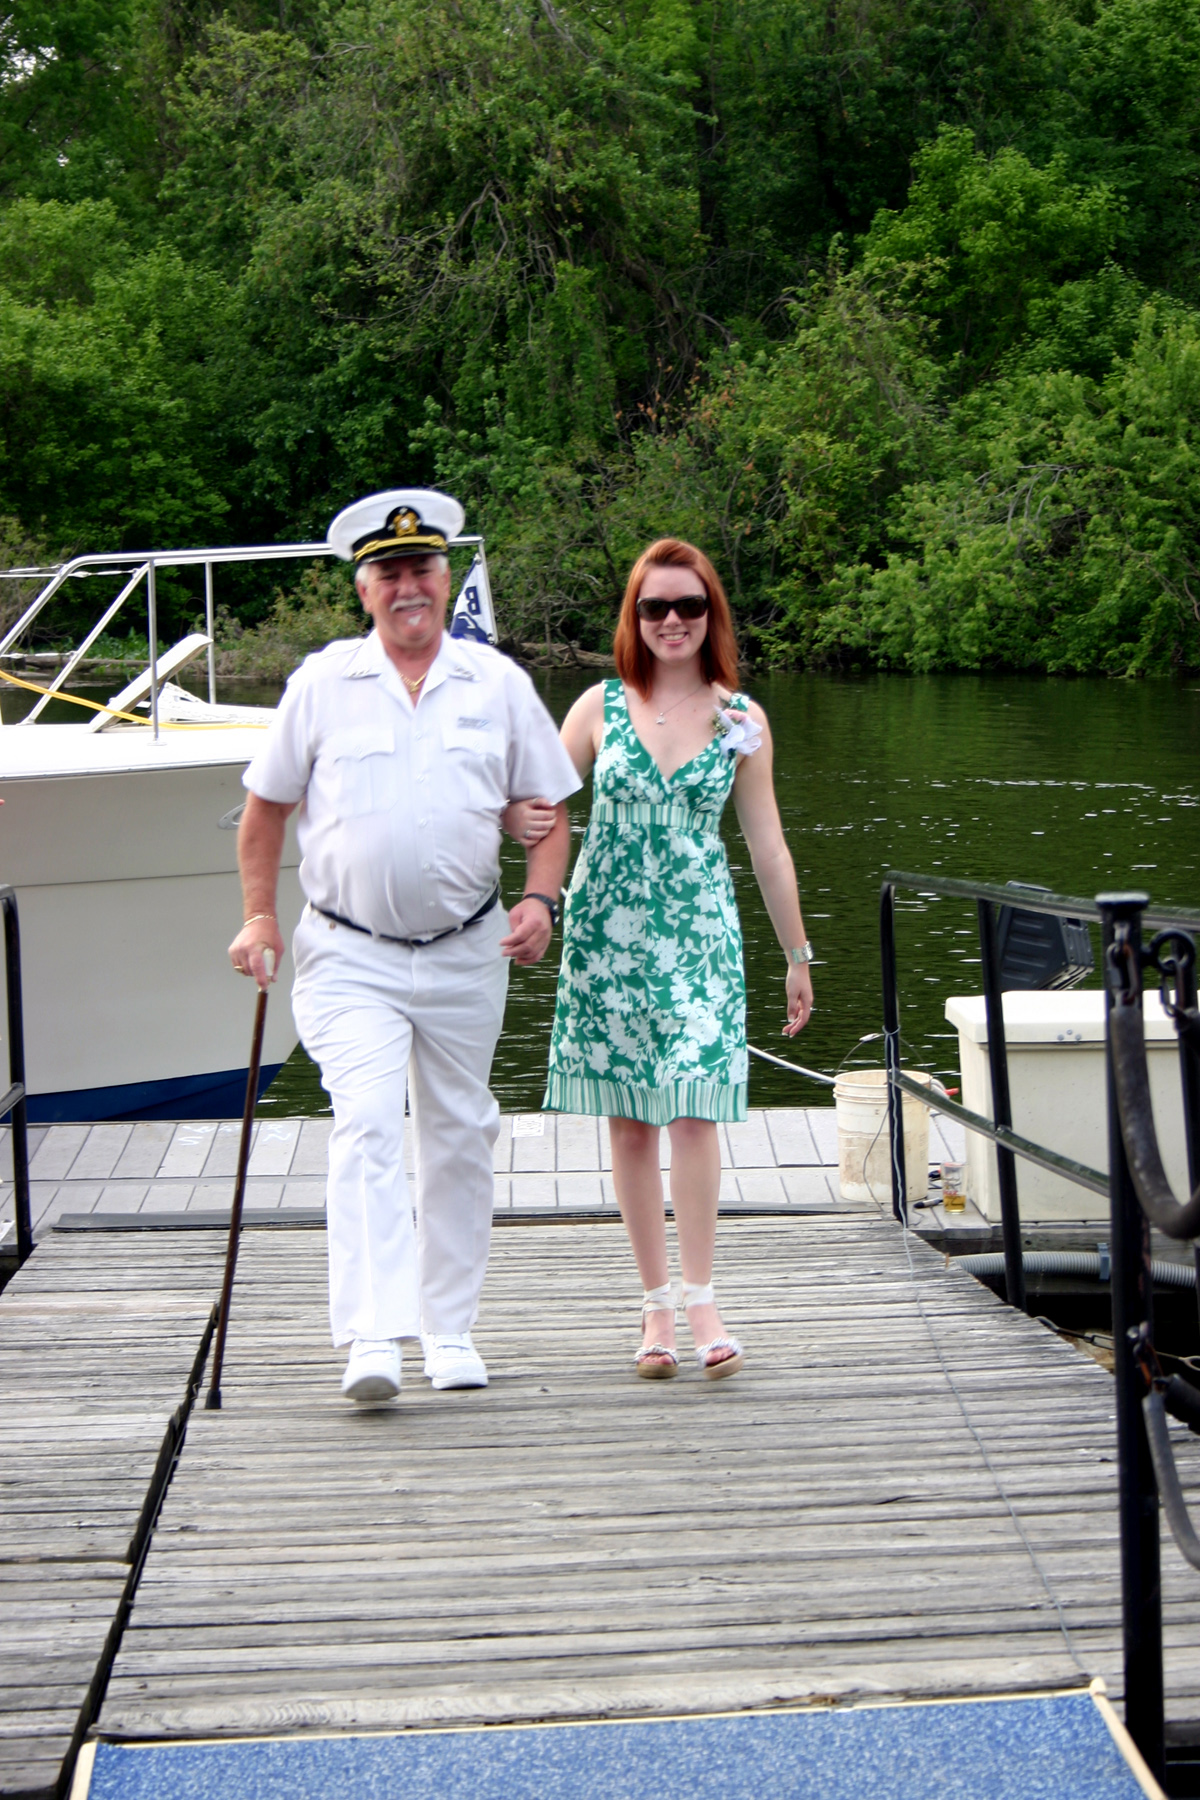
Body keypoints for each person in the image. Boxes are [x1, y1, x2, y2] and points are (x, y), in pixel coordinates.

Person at [227, 488, 581, 1404]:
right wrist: (260, 916)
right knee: (371, 1124)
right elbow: (264, 814)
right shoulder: (321, 684)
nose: (407, 585)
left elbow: (548, 814)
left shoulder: (496, 684)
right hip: (349, 954)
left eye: (421, 567)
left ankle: (449, 1329)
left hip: (469, 951)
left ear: (446, 575)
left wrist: (542, 898)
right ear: (364, 589)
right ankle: (373, 1335)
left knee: (461, 1135)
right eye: (388, 572)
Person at [509, 538, 813, 1380]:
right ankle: (654, 1310)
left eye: (689, 606)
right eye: (655, 607)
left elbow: (769, 845)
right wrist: (516, 838)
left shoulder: (740, 719)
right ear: (634, 619)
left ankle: (705, 1296)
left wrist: (798, 953)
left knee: (694, 1109)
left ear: (711, 614)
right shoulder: (596, 708)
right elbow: (537, 804)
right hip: (609, 936)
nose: (672, 621)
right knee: (633, 1121)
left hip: (700, 937)